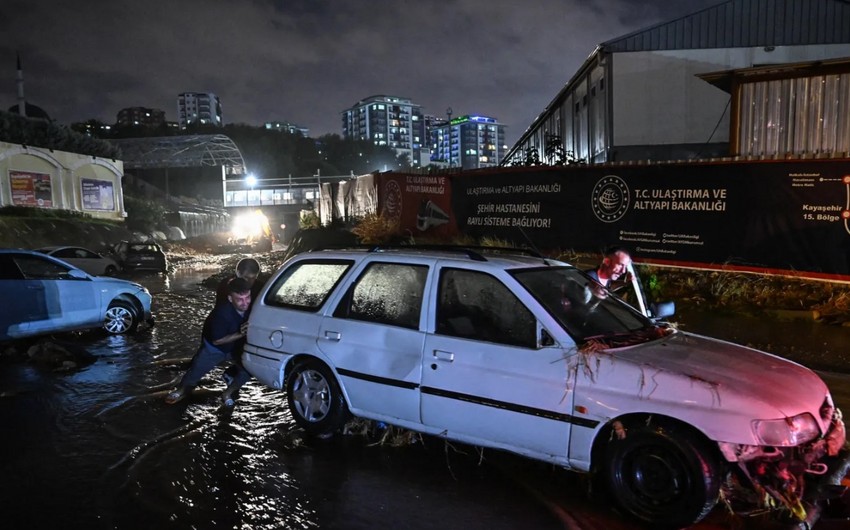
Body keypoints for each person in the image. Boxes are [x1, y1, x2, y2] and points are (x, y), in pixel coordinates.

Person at [165, 277, 253, 408]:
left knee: (248, 371)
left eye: (247, 297)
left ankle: (228, 392)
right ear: (230, 299)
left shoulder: (254, 307)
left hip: (237, 347)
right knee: (196, 371)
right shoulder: (221, 313)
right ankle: (181, 390)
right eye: (239, 299)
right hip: (215, 348)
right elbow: (217, 341)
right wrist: (241, 333)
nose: (245, 303)